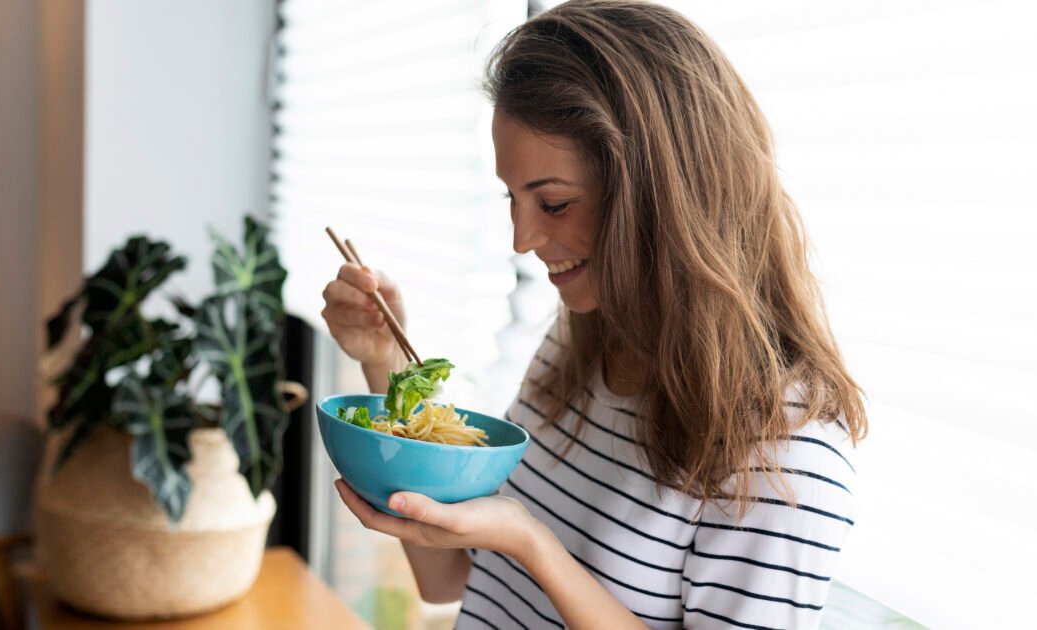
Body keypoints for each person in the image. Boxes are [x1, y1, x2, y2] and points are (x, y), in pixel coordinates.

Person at [320, 1, 867, 627]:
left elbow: (513, 544)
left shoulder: (785, 456)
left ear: (662, 196)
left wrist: (533, 543)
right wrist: (384, 358)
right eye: (512, 197)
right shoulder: (577, 350)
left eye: (553, 203)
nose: (521, 239)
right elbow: (449, 579)